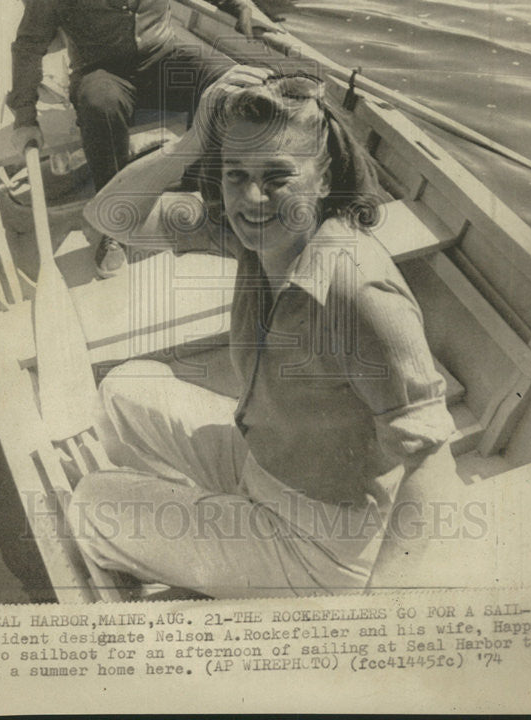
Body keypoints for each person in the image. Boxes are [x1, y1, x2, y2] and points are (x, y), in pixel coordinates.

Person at [69, 68, 459, 599]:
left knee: (92, 503)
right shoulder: (257, 236)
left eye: (278, 178)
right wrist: (190, 145)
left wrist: (379, 614)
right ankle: (209, 528)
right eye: (235, 175)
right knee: (121, 390)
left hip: (323, 542)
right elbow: (109, 216)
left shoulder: (356, 292)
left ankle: (202, 539)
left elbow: (433, 469)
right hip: (266, 466)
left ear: (322, 180)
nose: (252, 199)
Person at [8, 0, 254, 275]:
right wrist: (25, 116)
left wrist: (237, 0)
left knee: (225, 80)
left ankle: (206, 192)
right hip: (104, 72)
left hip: (162, 61)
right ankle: (114, 224)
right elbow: (29, 43)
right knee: (99, 102)